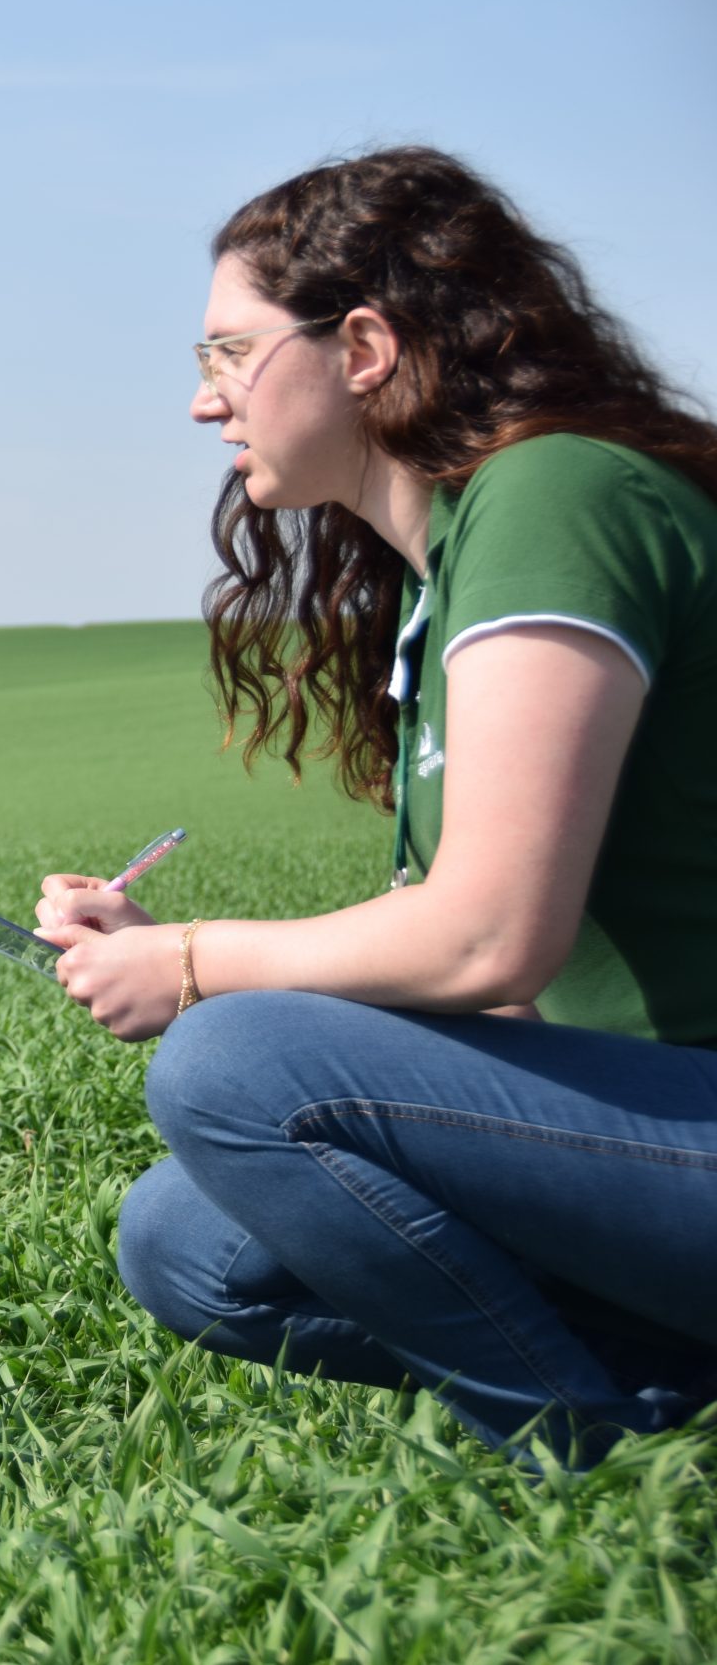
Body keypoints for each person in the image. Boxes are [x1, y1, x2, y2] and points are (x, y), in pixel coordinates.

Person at [36, 147, 717, 1467]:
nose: (201, 400)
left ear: (360, 345)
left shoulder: (555, 497)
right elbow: (474, 968)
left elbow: (489, 941)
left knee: (231, 1067)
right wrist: (159, 936)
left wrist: (192, 967)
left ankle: (576, 1463)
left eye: (229, 352)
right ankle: (652, 1386)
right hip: (656, 1133)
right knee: (188, 1238)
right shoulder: (451, 559)